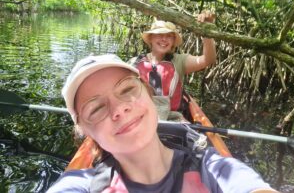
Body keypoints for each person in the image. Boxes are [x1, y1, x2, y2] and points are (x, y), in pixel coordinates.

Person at [46, 54, 278, 193]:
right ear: (86, 131)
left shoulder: (215, 169)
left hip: (173, 113)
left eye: (127, 89)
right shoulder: (82, 184)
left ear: (148, 94)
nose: (119, 109)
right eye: (96, 108)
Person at [130, 11, 216, 120]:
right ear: (151, 38)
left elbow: (208, 60)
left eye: (169, 36)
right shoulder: (134, 63)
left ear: (173, 42)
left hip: (171, 119)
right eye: (159, 34)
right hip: (140, 117)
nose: (164, 39)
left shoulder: (179, 61)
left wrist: (207, 31)